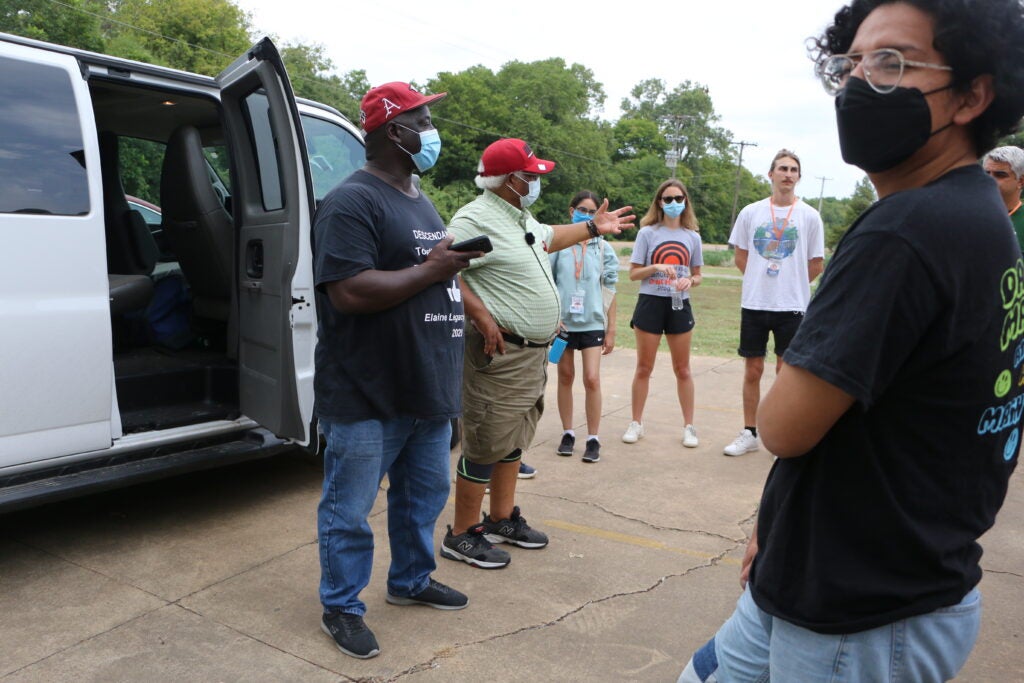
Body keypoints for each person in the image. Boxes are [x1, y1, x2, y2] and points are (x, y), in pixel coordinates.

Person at [680, 0, 1024, 680]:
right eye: (850, 63)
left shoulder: (906, 230)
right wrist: (776, 529)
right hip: (825, 575)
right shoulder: (977, 212)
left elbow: (783, 425)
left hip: (862, 617)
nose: (860, 82)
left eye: (892, 63)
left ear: (972, 94)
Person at [313, 82, 481, 660]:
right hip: (366, 391)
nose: (431, 129)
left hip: (424, 389)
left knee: (423, 497)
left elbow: (436, 283)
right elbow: (350, 292)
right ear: (393, 130)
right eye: (422, 119)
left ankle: (410, 581)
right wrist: (434, 268)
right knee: (349, 510)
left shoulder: (417, 197)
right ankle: (342, 605)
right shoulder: (350, 202)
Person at [441, 138, 633, 569]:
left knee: (513, 439)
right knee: (486, 443)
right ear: (511, 180)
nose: (537, 182)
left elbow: (549, 237)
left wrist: (592, 227)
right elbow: (446, 269)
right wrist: (480, 316)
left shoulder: (518, 217)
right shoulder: (475, 216)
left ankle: (501, 519)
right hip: (499, 352)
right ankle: (461, 534)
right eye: (531, 176)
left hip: (529, 354)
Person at [721, 150, 824, 457]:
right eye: (782, 168)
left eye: (793, 169)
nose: (788, 174)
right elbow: (741, 256)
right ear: (771, 174)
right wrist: (761, 281)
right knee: (752, 370)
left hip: (792, 307)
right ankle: (749, 432)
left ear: (798, 177)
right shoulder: (751, 213)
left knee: (786, 372)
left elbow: (816, 263)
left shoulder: (809, 216)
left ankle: (783, 434)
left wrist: (788, 286)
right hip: (755, 304)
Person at [621, 180, 703, 448]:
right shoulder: (647, 233)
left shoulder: (693, 237)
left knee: (683, 369)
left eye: (678, 198)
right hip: (651, 302)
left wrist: (690, 281)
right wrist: (655, 266)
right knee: (644, 367)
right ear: (659, 202)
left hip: (680, 304)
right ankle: (636, 422)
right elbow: (633, 274)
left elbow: (698, 275)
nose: (673, 203)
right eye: (667, 199)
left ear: (685, 201)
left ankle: (689, 427)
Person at [550, 190, 619, 463]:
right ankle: (568, 433)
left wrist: (611, 330)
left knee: (592, 378)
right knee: (565, 377)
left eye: (592, 212)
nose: (588, 215)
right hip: (563, 324)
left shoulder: (603, 247)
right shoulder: (559, 245)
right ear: (571, 211)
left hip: (592, 323)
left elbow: (610, 288)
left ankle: (593, 438)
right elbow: (548, 282)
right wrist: (553, 317)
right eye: (582, 210)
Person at [982, 145, 1024, 249]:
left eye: (1000, 175)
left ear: (1020, 181)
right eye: (986, 173)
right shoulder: (967, 216)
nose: (989, 180)